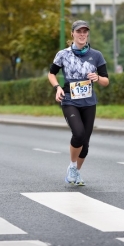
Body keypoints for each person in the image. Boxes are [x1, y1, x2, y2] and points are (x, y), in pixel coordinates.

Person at [48, 20, 109, 186]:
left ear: (87, 34)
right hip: (69, 100)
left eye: (85, 31)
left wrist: (98, 78)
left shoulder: (96, 55)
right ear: (72, 34)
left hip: (89, 102)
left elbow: (106, 81)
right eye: (79, 31)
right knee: (79, 134)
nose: (82, 34)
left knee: (86, 144)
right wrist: (57, 88)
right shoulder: (63, 54)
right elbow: (51, 73)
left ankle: (75, 172)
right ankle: (73, 167)